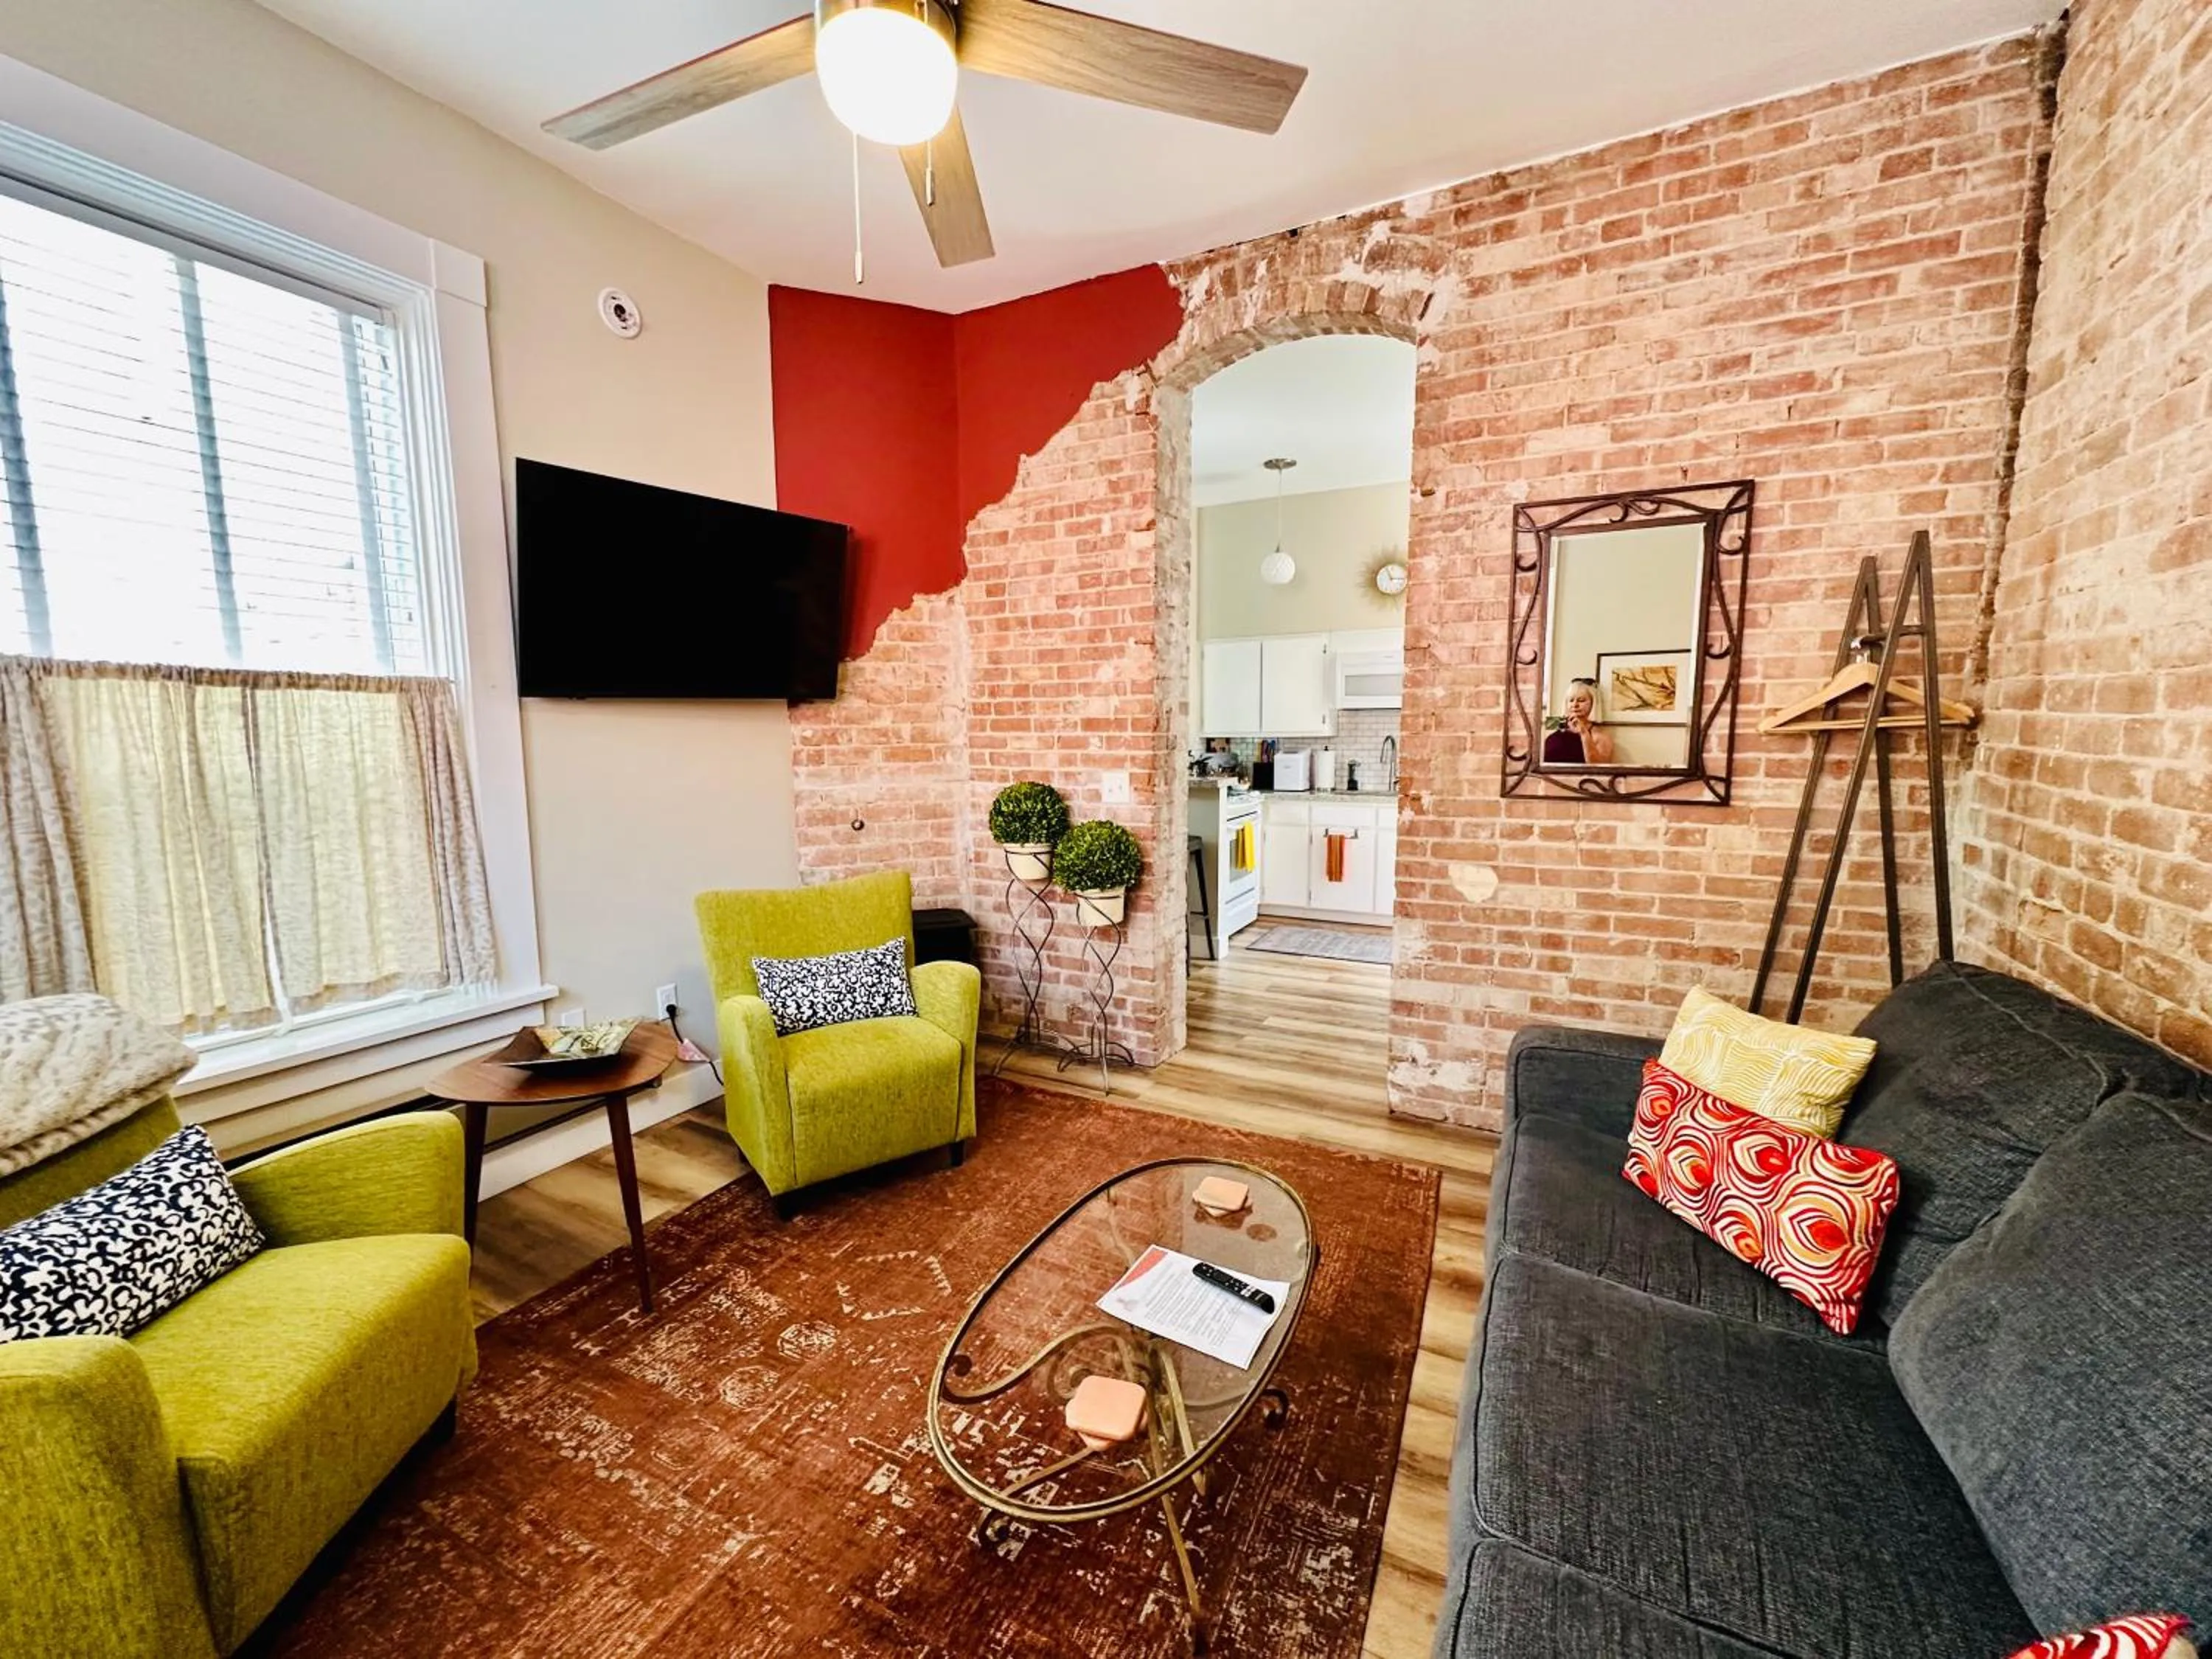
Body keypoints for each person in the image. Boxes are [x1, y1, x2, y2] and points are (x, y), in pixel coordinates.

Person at [1543, 678, 1615, 765]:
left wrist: (1584, 733)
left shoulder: (1601, 736)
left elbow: (1599, 770)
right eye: (1571, 700)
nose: (1575, 705)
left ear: (1593, 703)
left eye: (1581, 700)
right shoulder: (1554, 724)